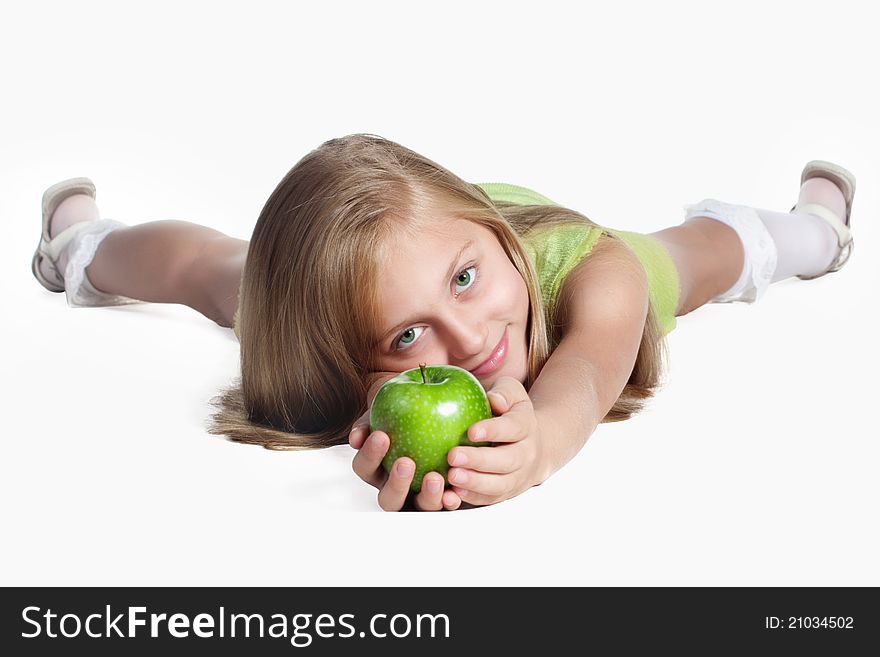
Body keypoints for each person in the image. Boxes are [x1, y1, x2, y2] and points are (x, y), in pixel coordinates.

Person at [31, 134, 855, 512]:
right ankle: (78, 244)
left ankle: (816, 225)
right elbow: (188, 262)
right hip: (413, 247)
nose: (467, 341)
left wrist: (538, 447)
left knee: (702, 253)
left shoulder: (591, 269)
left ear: (494, 239)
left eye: (466, 283)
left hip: (556, 256)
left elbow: (589, 369)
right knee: (218, 269)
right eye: (404, 338)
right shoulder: (322, 316)